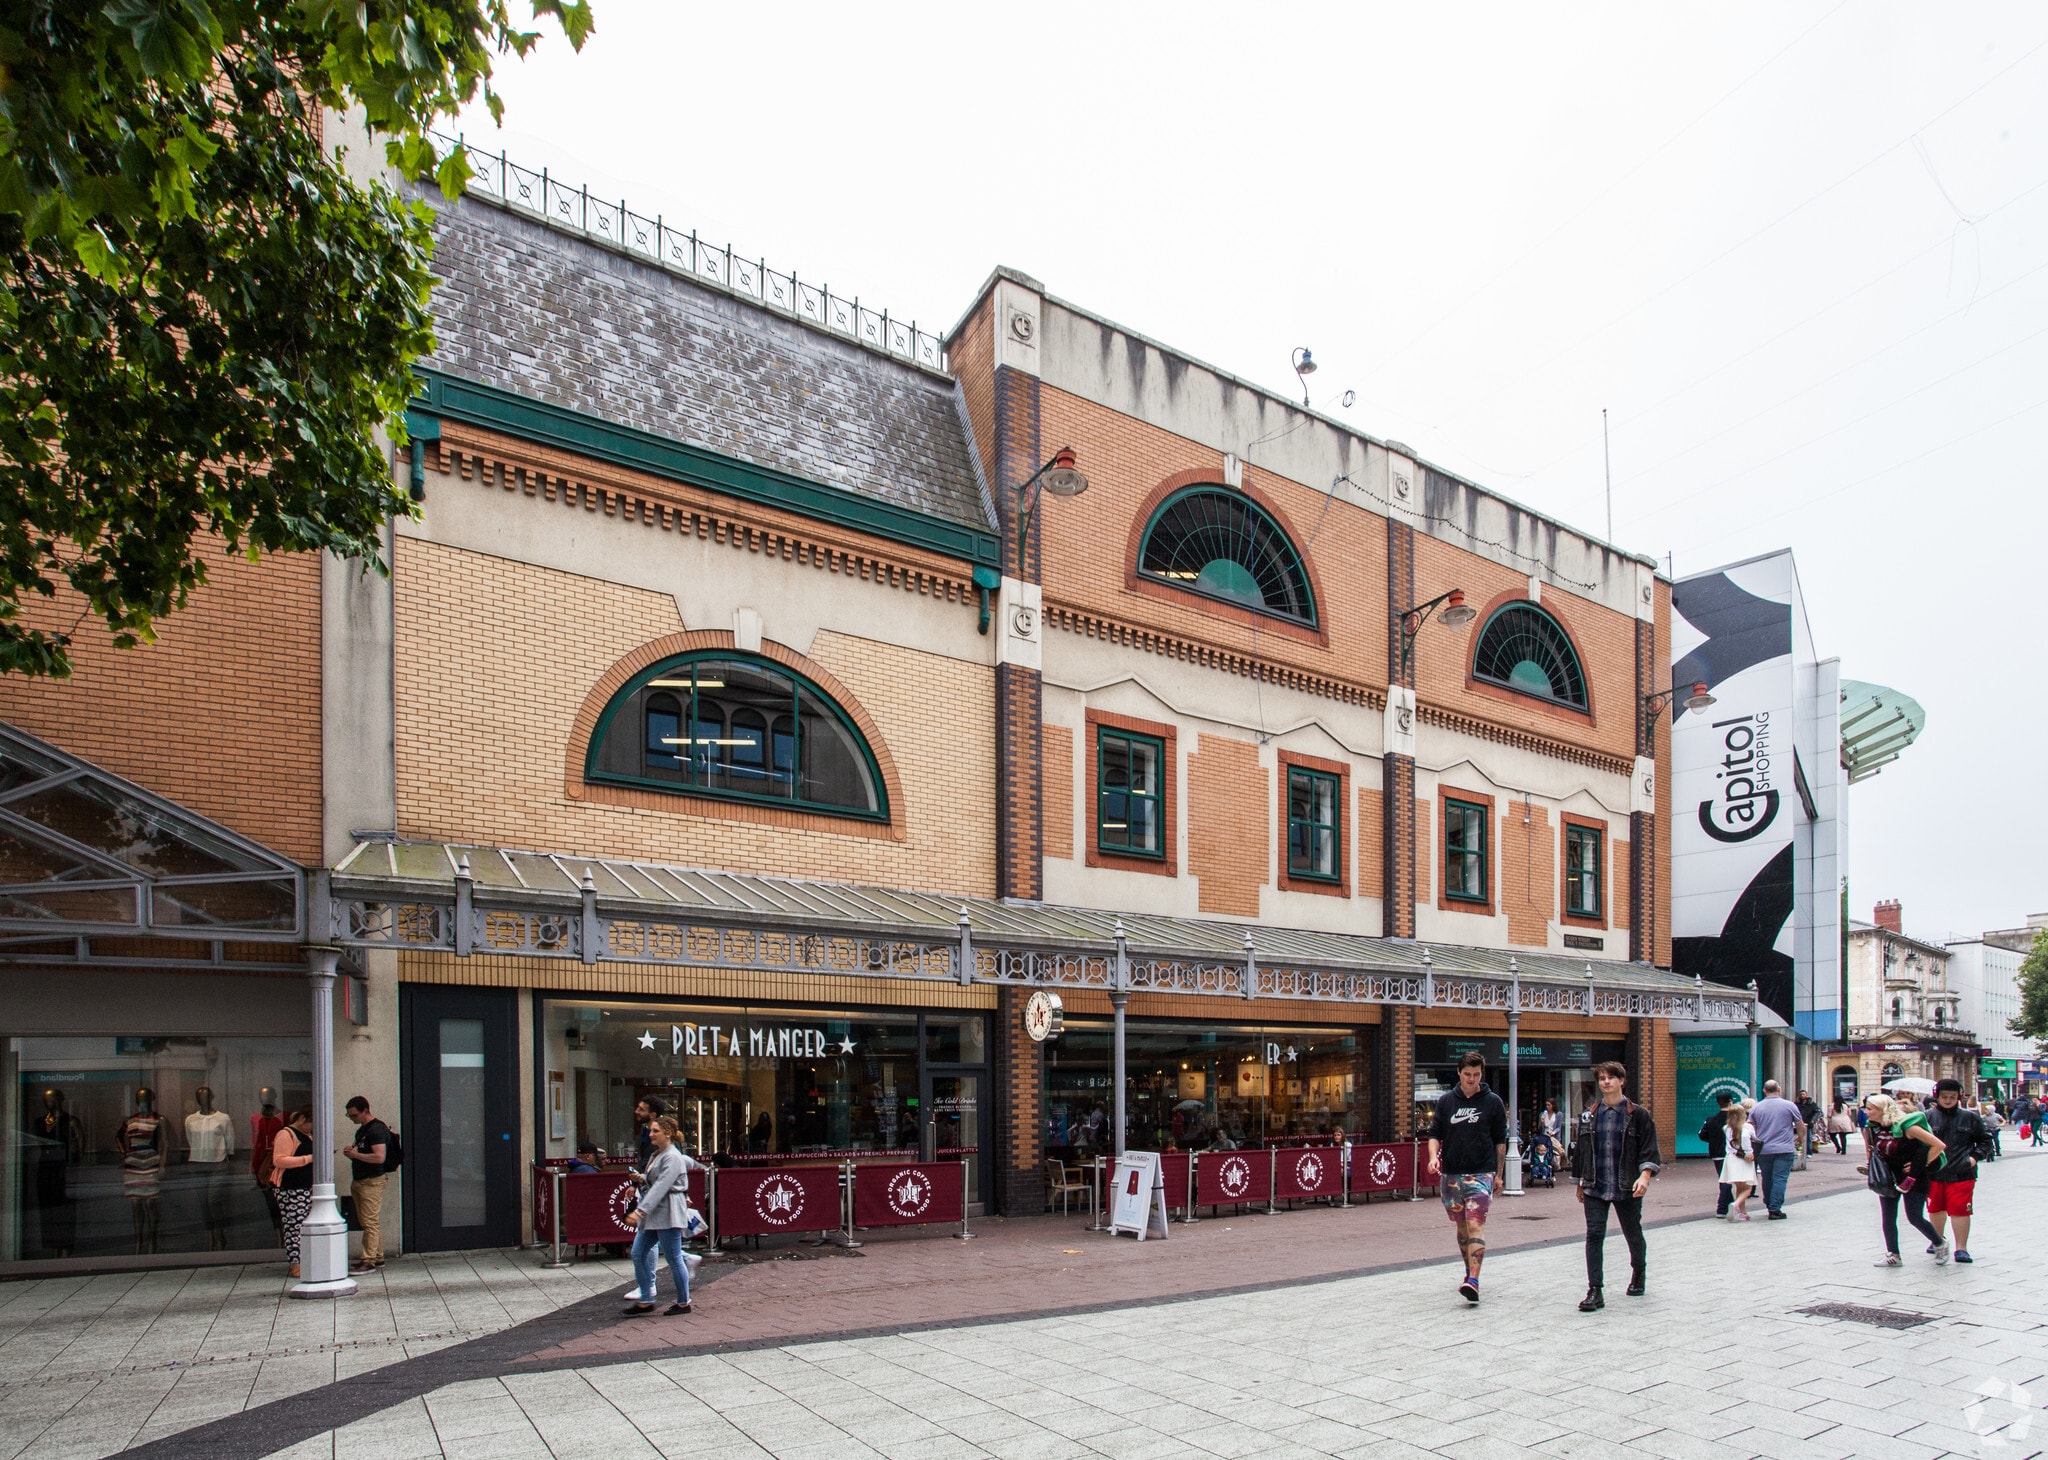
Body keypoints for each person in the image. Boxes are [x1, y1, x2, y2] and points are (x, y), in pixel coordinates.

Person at [1573, 1061, 1660, 1312]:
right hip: (1595, 1185)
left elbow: (1649, 1149)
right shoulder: (1590, 1114)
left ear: (1622, 1081)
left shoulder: (1637, 1114)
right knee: (1594, 1234)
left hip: (1626, 1185)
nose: (1606, 1082)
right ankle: (1595, 1290)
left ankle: (1638, 1272)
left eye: (1611, 1078)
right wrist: (1580, 1182)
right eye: (1602, 1078)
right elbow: (1582, 1150)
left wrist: (1644, 1177)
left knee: (1632, 1232)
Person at [1426, 1051, 1508, 1305]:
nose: (1472, 1079)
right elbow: (1435, 1133)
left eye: (1477, 1074)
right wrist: (1432, 1157)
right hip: (1452, 1174)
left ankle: (1474, 1279)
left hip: (1481, 1173)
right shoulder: (1447, 1101)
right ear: (1459, 1073)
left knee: (1475, 1224)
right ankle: (1469, 1271)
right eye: (1467, 1074)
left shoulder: (1492, 1102)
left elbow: (1500, 1142)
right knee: (1462, 1227)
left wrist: (1499, 1175)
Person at [622, 1116, 693, 1317]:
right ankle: (646, 1299)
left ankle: (683, 1302)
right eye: (651, 1131)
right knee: (638, 1252)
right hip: (656, 1213)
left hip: (668, 1211)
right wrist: (642, 1178)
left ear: (667, 1133)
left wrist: (639, 1211)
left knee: (673, 1257)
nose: (651, 1134)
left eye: (655, 1131)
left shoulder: (672, 1156)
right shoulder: (659, 1154)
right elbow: (657, 1180)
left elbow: (662, 1186)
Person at [1863, 1093, 1945, 1266]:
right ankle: (1893, 1255)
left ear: (1882, 1110)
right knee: (1888, 1217)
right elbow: (1871, 1152)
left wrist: (1920, 1164)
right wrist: (1872, 1169)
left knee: (1914, 1217)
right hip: (1888, 1177)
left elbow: (1938, 1145)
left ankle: (1939, 1243)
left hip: (1913, 1177)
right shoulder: (1872, 1128)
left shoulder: (1907, 1127)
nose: (1866, 1112)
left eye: (1870, 1109)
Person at [1924, 1078, 1988, 1264]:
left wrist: (1974, 1158)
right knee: (1935, 1208)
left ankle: (1961, 1248)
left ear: (1959, 1097)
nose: (1948, 1100)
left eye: (1952, 1096)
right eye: (1944, 1096)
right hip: (1933, 1172)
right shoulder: (1927, 1117)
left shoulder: (1970, 1117)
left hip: (1962, 1173)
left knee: (1960, 1211)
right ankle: (1937, 1240)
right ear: (1937, 1096)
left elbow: (1985, 1141)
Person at [340, 1096, 391, 1276]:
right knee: (369, 1221)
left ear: (365, 1111)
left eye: (354, 1115)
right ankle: (377, 1256)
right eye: (349, 1116)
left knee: (369, 1221)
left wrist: (355, 1156)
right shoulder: (363, 1130)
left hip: (372, 1180)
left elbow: (379, 1157)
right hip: (362, 1179)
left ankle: (368, 1260)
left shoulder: (376, 1129)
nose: (352, 1119)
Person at [270, 1107, 315, 1279]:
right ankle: (296, 1264)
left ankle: (302, 1261)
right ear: (302, 1118)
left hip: (304, 1186)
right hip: (291, 1187)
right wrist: (310, 1158)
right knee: (294, 1226)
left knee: (301, 1225)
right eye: (310, 1123)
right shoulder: (286, 1134)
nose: (311, 1127)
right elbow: (279, 1160)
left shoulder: (306, 1135)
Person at [1748, 1080, 1802, 1218]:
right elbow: (1800, 1124)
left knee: (1767, 1178)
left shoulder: (1757, 1107)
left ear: (1764, 1091)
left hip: (1764, 1149)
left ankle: (1769, 1203)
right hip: (1784, 1148)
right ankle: (1775, 1208)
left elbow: (1750, 1127)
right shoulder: (1789, 1105)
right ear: (1779, 1089)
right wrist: (1800, 1138)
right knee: (1780, 1178)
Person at [1698, 1091, 1736, 1216]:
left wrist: (1713, 1140)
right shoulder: (1735, 1119)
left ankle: (1731, 1205)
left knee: (1723, 1178)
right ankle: (1722, 1208)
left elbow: (1702, 1135)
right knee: (1726, 1181)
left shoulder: (1711, 1120)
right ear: (1730, 1101)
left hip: (1716, 1153)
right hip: (1731, 1153)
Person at [1721, 1099, 1757, 1220]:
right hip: (1744, 1159)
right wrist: (1749, 1152)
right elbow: (1747, 1137)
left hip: (1731, 1158)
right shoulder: (1747, 1127)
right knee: (1747, 1187)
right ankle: (1735, 1205)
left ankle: (1743, 1213)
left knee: (1739, 1187)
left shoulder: (1726, 1128)